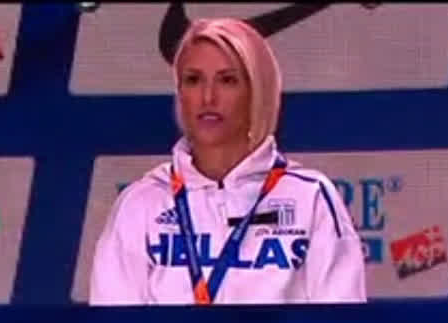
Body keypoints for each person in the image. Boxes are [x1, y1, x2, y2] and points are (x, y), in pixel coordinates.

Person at [88, 16, 367, 306]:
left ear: (256, 91)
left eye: (227, 80)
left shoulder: (310, 197)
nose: (208, 97)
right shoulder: (141, 203)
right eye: (193, 80)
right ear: (179, 93)